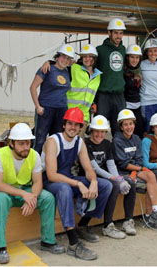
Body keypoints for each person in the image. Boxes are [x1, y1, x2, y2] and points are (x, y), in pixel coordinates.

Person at [0, 123, 65, 264]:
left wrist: (33, 198)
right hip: (3, 191)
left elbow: (37, 183)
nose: (25, 147)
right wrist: (25, 195)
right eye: (21, 143)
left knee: (47, 198)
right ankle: (0, 246)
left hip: (25, 190)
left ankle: (48, 241)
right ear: (11, 143)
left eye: (28, 143)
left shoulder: (33, 155)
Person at [42, 107, 112, 261]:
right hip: (50, 182)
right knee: (65, 189)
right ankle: (73, 242)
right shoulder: (53, 141)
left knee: (105, 185)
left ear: (81, 128)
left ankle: (83, 224)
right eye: (70, 123)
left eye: (76, 125)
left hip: (67, 178)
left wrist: (93, 181)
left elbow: (88, 168)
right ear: (64, 124)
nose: (73, 127)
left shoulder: (79, 142)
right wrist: (78, 184)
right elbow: (51, 175)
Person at [112, 109, 157, 229]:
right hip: (122, 173)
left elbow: (139, 159)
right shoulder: (117, 141)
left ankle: (153, 213)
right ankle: (150, 216)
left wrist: (135, 171)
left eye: (131, 123)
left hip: (135, 170)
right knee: (148, 178)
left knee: (151, 176)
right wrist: (138, 169)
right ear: (121, 127)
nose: (129, 127)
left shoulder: (136, 139)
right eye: (126, 124)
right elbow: (122, 164)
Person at [84, 115, 136, 237]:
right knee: (113, 185)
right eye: (97, 131)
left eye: (102, 132)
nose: (99, 135)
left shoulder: (107, 144)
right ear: (91, 131)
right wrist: (115, 179)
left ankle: (128, 220)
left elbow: (111, 164)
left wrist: (120, 179)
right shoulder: (86, 144)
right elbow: (95, 168)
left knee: (130, 182)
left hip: (106, 175)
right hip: (91, 176)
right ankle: (108, 225)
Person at [30, 44, 74, 154]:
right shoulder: (47, 69)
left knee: (56, 140)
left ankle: (52, 168)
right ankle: (35, 169)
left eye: (68, 58)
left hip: (61, 109)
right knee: (40, 140)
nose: (65, 60)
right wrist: (37, 106)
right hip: (46, 109)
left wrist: (49, 60)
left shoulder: (67, 71)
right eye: (63, 56)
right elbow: (33, 87)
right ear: (58, 57)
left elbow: (78, 61)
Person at [95, 18, 127, 134]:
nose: (119, 36)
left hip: (119, 95)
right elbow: (84, 63)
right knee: (100, 126)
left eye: (121, 33)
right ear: (109, 33)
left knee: (119, 127)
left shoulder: (123, 50)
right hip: (104, 95)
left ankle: (117, 151)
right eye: (116, 33)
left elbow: (131, 66)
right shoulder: (100, 50)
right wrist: (52, 62)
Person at [66, 44, 102, 137]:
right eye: (85, 56)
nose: (87, 59)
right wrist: (49, 62)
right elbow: (58, 65)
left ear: (94, 58)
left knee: (79, 144)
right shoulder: (74, 68)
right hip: (69, 114)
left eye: (90, 56)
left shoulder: (98, 76)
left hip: (83, 117)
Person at [140, 38, 157, 133]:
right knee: (148, 130)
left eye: (155, 51)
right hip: (147, 103)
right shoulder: (141, 65)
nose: (153, 53)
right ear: (146, 53)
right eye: (150, 51)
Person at [123, 44, 145, 138]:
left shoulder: (139, 71)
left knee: (139, 132)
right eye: (132, 57)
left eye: (137, 57)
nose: (134, 60)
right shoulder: (123, 72)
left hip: (138, 105)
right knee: (127, 133)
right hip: (127, 106)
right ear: (127, 58)